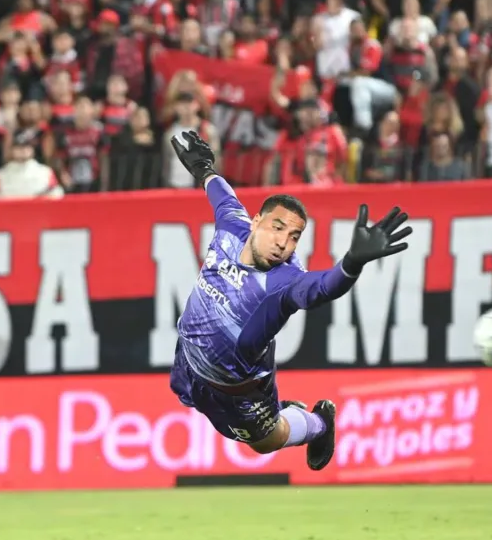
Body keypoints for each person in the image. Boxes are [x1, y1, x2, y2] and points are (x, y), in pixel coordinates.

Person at [167, 130, 413, 470]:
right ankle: (285, 412)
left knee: (266, 442)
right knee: (189, 399)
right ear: (256, 222)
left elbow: (323, 287)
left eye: (294, 236)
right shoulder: (232, 226)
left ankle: (319, 423)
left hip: (240, 387)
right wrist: (204, 169)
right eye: (277, 228)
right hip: (189, 358)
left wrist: (352, 262)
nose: (283, 242)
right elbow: (223, 197)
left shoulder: (285, 282)